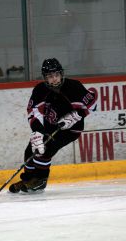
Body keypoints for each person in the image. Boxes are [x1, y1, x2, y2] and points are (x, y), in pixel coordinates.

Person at [9, 58, 96, 193]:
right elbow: (32, 111)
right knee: (31, 150)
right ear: (45, 78)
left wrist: (77, 115)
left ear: (61, 74)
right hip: (48, 127)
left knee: (46, 148)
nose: (54, 79)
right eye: (50, 76)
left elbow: (93, 104)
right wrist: (37, 131)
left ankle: (40, 181)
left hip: (70, 130)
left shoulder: (74, 86)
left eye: (56, 75)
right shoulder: (40, 90)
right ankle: (28, 179)